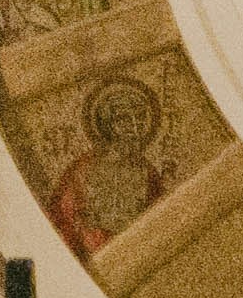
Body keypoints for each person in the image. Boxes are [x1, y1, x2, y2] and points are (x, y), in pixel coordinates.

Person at [43, 80, 167, 256]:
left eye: (139, 117)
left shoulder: (149, 173)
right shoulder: (83, 168)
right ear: (108, 124)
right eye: (123, 119)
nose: (133, 126)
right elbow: (60, 217)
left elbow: (160, 221)